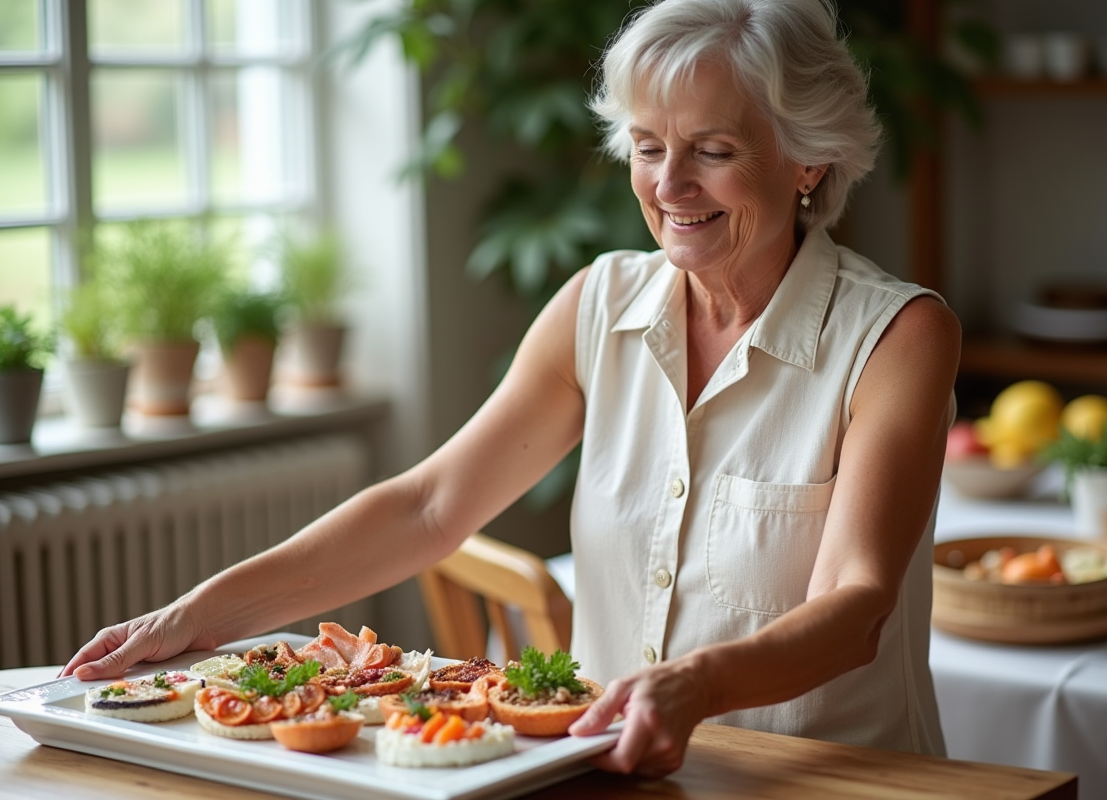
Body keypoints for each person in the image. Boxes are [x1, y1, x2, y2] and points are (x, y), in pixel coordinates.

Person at [63, 0, 960, 778]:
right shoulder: (597, 305)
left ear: (809, 159)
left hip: (837, 783)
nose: (669, 184)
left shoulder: (896, 335)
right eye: (647, 147)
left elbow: (855, 606)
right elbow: (429, 508)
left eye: (713, 150)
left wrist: (697, 684)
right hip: (622, 774)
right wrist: (194, 619)